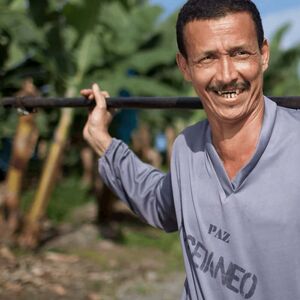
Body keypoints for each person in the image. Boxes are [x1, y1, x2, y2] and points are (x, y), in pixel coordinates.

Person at [81, 0, 300, 299]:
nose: (226, 75)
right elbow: (160, 204)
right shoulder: (187, 148)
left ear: (263, 55)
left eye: (240, 53)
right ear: (185, 67)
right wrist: (100, 138)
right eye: (207, 58)